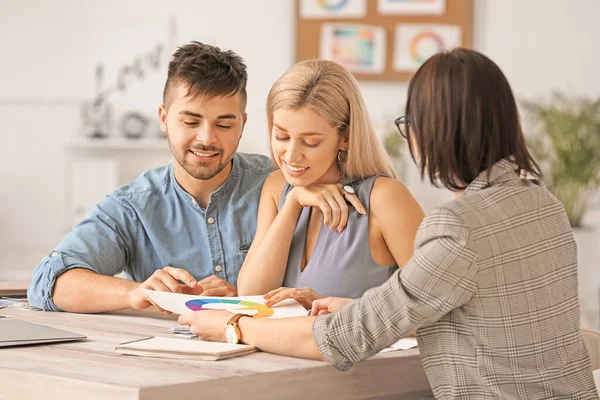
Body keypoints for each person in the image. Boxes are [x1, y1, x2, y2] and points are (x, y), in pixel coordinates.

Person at [179, 48, 599, 399]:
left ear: (435, 134)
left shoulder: (456, 225)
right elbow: (432, 304)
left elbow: (345, 338)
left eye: (412, 124)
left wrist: (234, 325)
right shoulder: (542, 202)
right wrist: (358, 307)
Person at [27, 42, 272, 313]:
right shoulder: (133, 205)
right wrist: (136, 292)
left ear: (242, 124)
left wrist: (245, 298)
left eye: (224, 125)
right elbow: (46, 283)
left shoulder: (276, 184)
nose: (206, 139)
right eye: (190, 122)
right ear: (164, 118)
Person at [236, 59, 424, 308]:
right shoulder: (276, 188)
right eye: (281, 136)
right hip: (274, 348)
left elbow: (438, 306)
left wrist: (342, 309)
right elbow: (251, 295)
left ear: (345, 138)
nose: (291, 156)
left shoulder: (385, 198)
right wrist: (293, 203)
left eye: (311, 142)